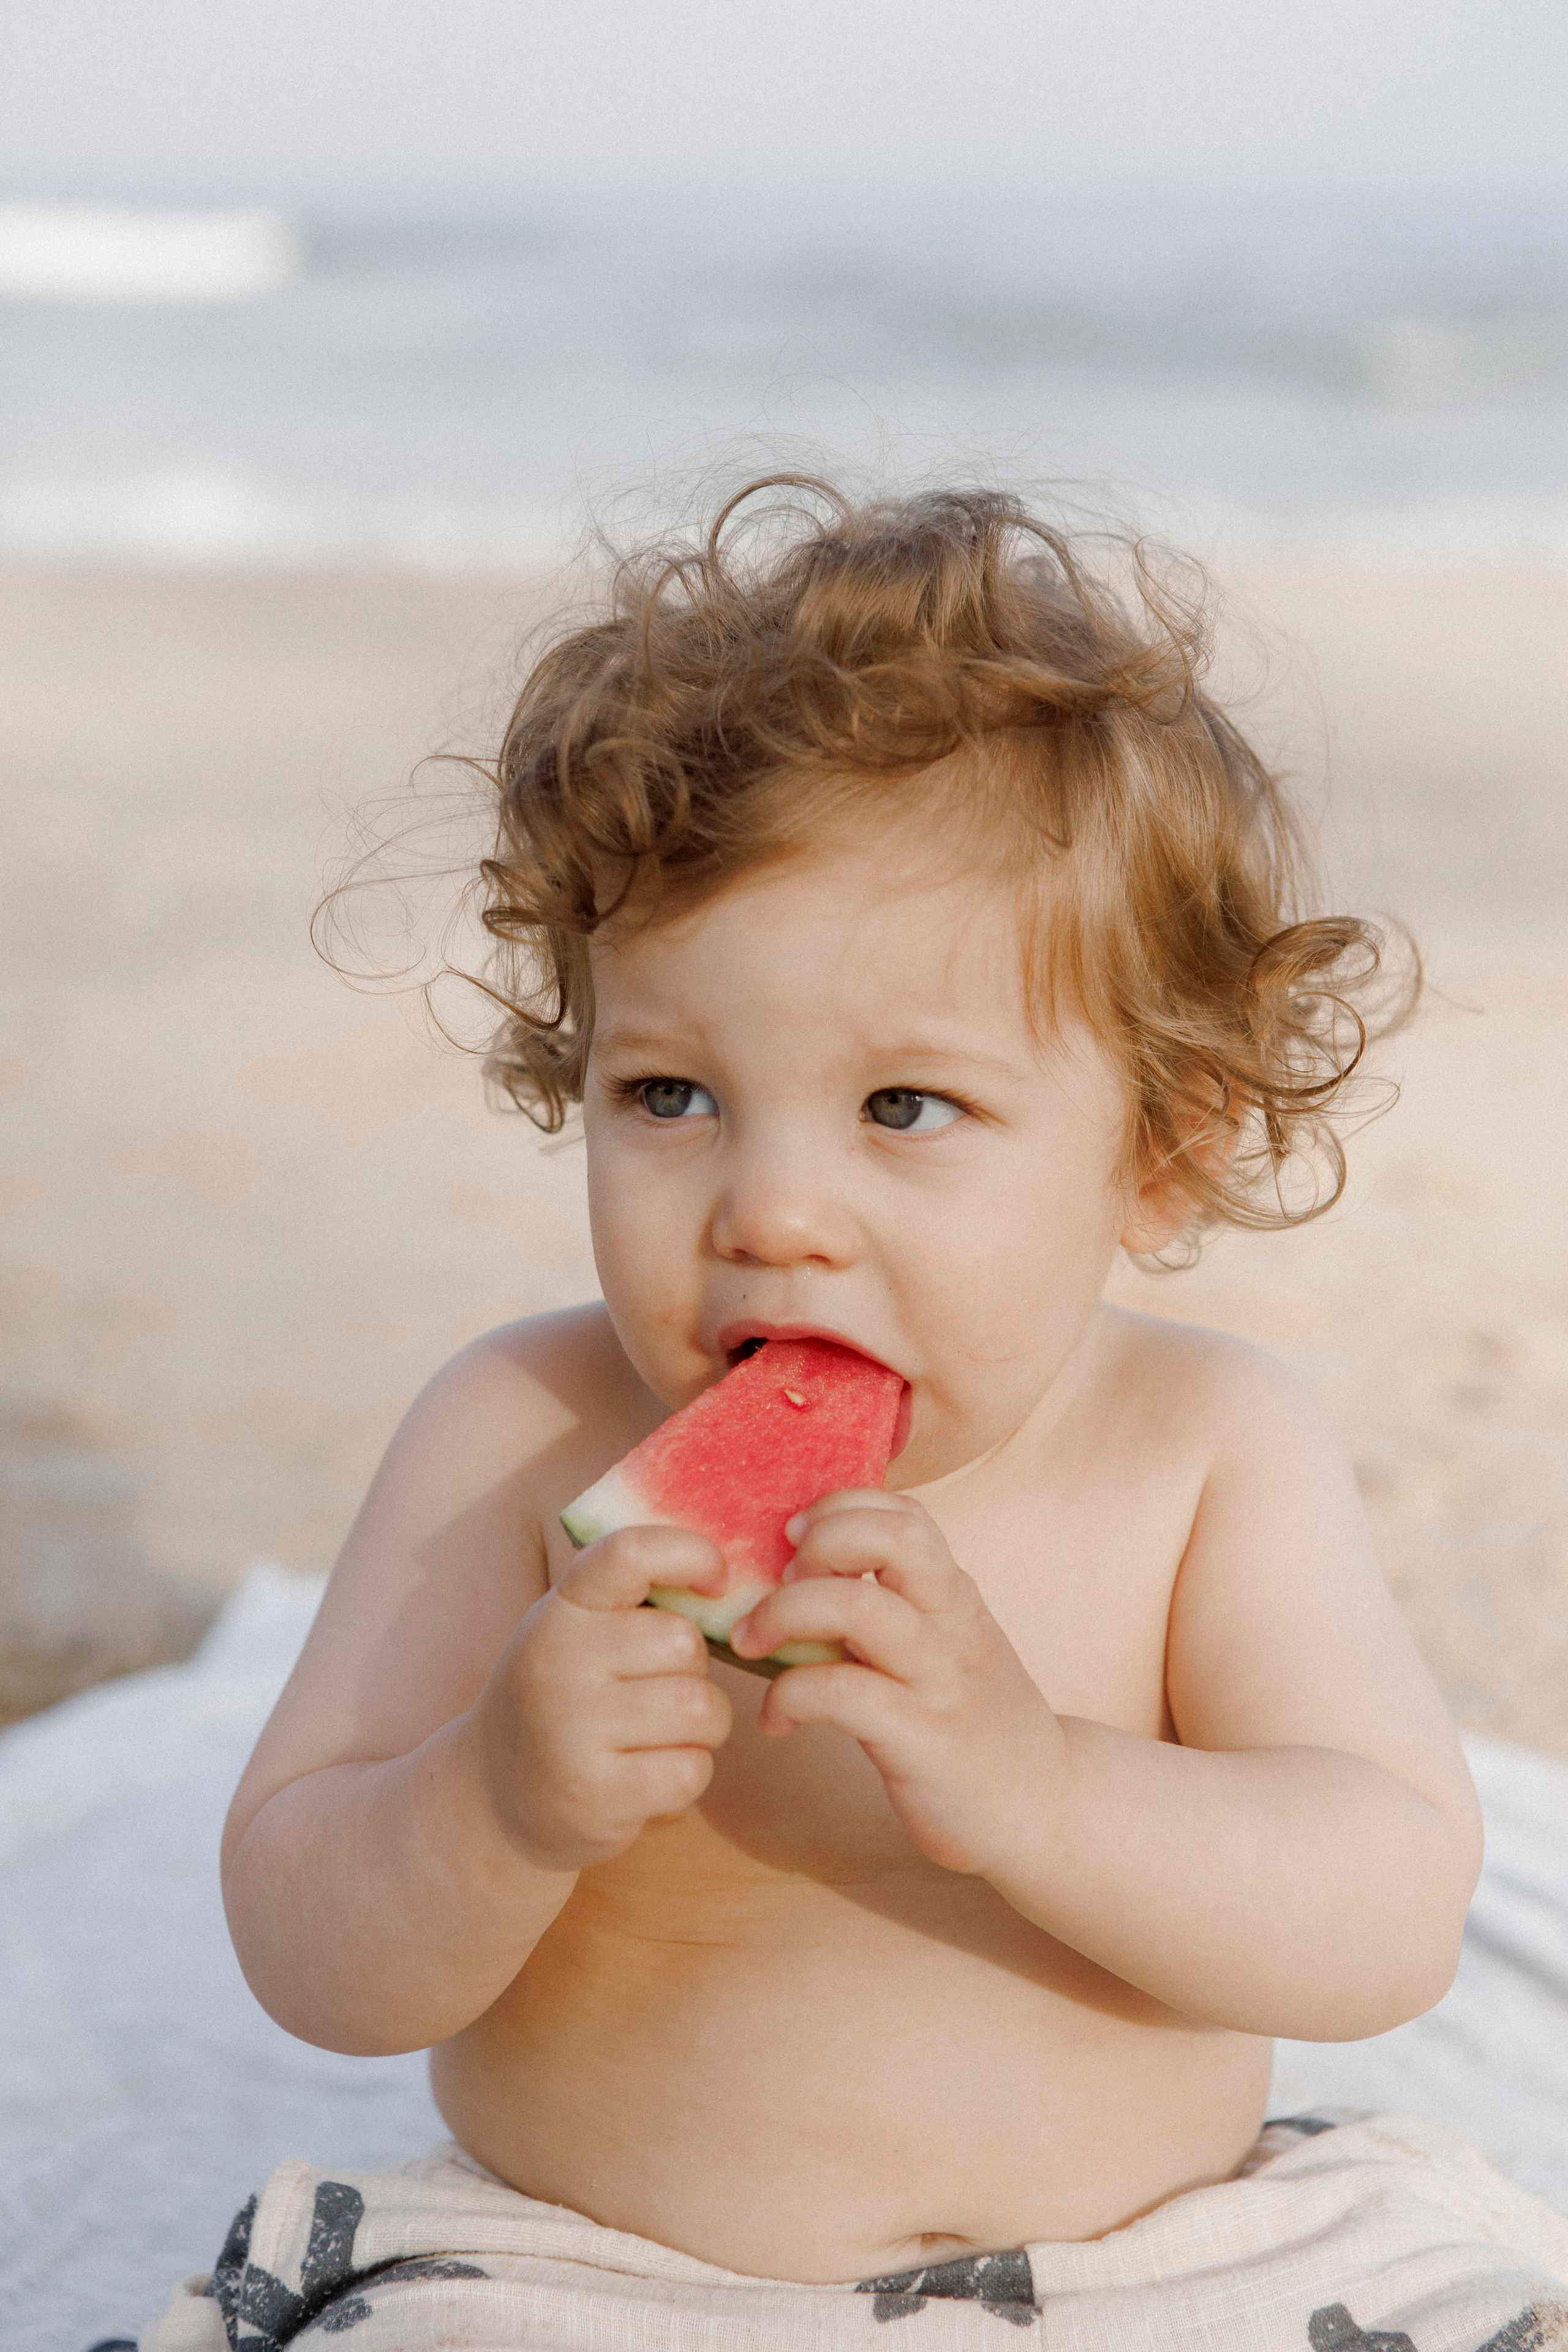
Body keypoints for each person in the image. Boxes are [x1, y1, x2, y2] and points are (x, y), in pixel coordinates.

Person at [165, 482, 1568, 2350]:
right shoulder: (515, 1428)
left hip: (1176, 2268)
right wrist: (489, 1801)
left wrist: (1043, 1783)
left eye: (904, 1108)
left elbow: (1385, 1913)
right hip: (586, 2279)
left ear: (1159, 1153)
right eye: (671, 1094)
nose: (771, 1212)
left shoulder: (1208, 1448)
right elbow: (306, 1942)